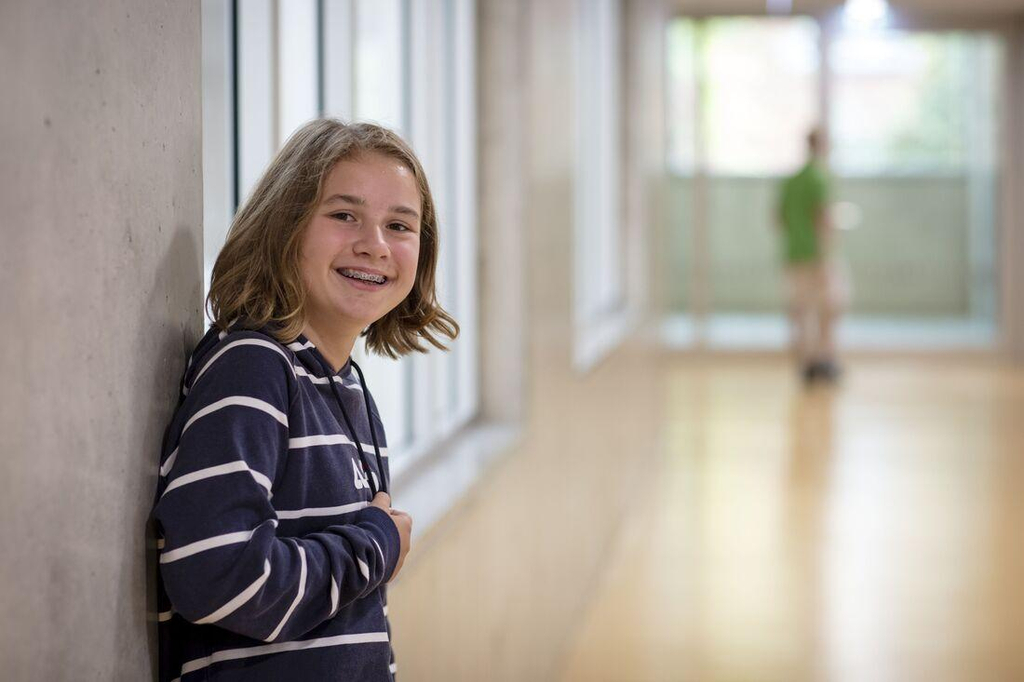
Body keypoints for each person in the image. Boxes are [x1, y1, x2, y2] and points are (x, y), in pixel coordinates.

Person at [151, 119, 458, 681]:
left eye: (399, 225)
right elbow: (217, 577)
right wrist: (376, 544)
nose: (374, 244)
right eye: (344, 215)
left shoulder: (348, 389)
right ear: (285, 226)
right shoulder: (252, 368)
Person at [777, 127, 847, 384]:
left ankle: (805, 361)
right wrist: (824, 254)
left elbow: (779, 218)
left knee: (800, 307)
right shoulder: (818, 178)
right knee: (830, 306)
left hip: (793, 253)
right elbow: (822, 219)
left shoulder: (791, 181)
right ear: (823, 146)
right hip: (816, 255)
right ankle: (824, 359)